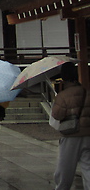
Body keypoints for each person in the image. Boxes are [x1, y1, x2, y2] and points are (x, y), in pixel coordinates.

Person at [51, 61, 90, 189]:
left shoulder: (63, 96)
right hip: (87, 133)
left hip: (70, 135)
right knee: (87, 166)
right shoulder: (86, 92)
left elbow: (57, 115)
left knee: (65, 168)